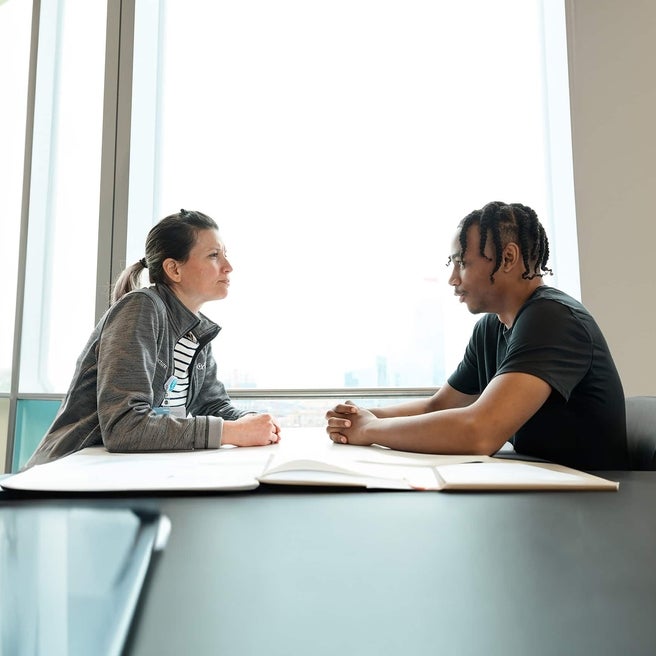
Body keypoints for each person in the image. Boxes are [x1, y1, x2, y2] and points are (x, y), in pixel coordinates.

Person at [326, 201, 628, 470]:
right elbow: (440, 406)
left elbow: (480, 431)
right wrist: (363, 416)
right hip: (544, 488)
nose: (452, 278)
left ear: (508, 258)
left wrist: (368, 431)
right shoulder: (491, 327)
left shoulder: (553, 318)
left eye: (462, 262)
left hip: (592, 502)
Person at [27, 209, 280, 467]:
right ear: (174, 269)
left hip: (124, 473)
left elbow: (213, 406)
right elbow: (125, 427)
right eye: (214, 255)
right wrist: (231, 432)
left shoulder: (197, 330)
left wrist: (254, 422)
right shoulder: (141, 307)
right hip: (68, 476)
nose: (228, 267)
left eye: (225, 255)